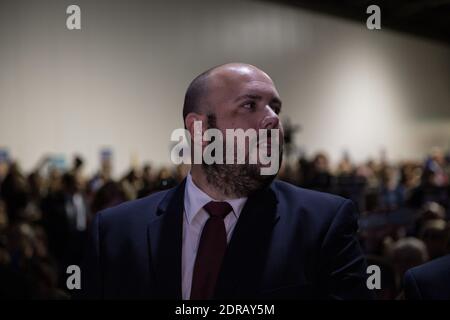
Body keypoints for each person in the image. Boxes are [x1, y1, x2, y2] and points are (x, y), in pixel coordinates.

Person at [80, 63, 373, 299]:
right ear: (199, 128)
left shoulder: (322, 224)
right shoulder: (114, 232)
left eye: (276, 107)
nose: (273, 119)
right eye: (249, 105)